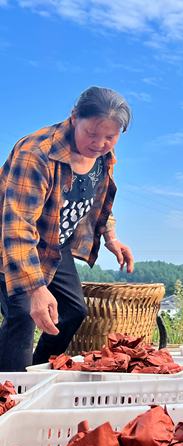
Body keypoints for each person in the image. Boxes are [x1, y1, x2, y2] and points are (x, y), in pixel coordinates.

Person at [0, 86, 135, 372]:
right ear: (74, 118)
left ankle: (33, 377)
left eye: (110, 137)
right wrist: (36, 289)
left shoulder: (103, 157)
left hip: (53, 243)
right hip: (12, 243)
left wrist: (111, 237)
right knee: (23, 315)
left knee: (73, 311)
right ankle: (9, 396)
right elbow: (17, 226)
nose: (99, 143)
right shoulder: (35, 153)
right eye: (92, 134)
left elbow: (95, 199)